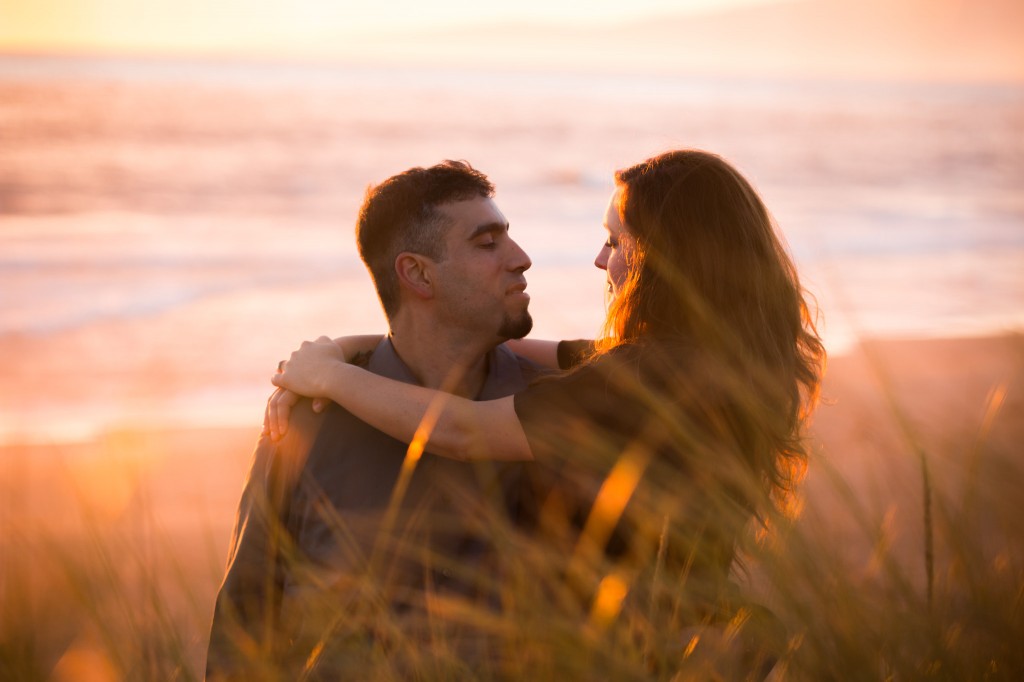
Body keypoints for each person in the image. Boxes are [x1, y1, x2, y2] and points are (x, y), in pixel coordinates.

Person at [272, 149, 826, 677]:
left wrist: (331, 378)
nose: (601, 259)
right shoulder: (704, 359)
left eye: (616, 241)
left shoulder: (642, 375)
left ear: (667, 255)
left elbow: (462, 432)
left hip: (626, 648)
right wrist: (347, 348)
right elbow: (509, 347)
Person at [206, 160, 541, 680]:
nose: (521, 260)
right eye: (487, 243)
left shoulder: (552, 415)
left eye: (508, 239)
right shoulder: (310, 421)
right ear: (417, 274)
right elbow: (247, 615)